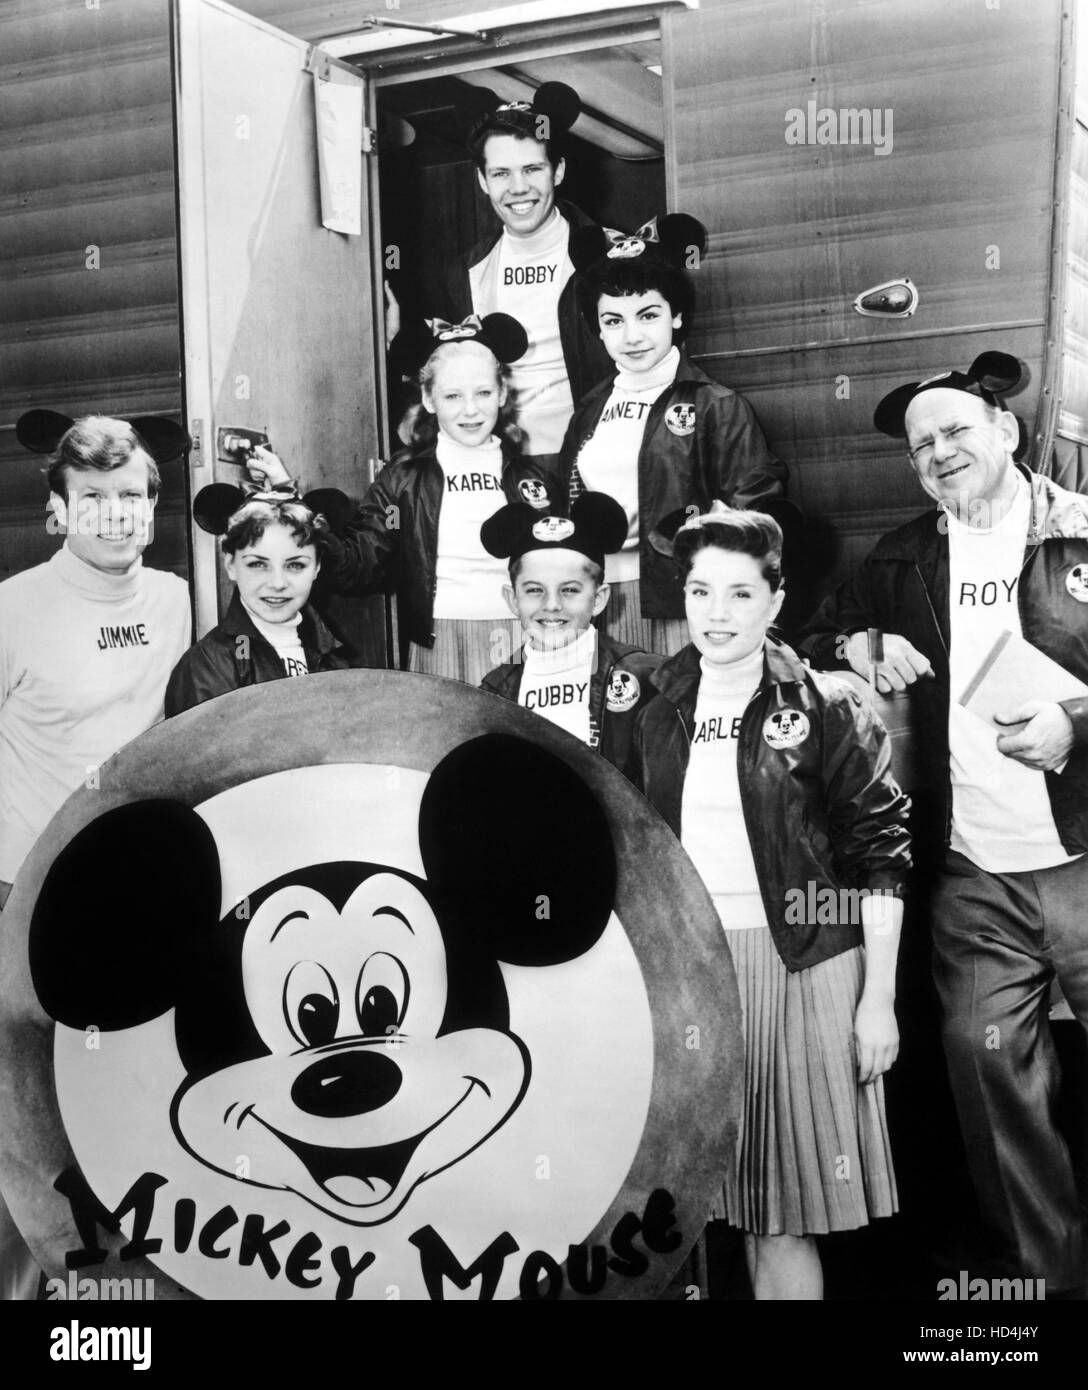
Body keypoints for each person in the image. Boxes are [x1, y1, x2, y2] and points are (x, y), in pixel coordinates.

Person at [797, 351, 1088, 1294]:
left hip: (1083, 854)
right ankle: (1044, 1280)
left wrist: (1073, 726)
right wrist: (854, 646)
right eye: (923, 446)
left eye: (958, 429)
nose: (940, 452)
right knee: (985, 1067)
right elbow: (817, 633)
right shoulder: (902, 555)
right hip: (972, 875)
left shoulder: (1082, 535)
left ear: (1007, 430)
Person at [632, 505, 910, 1300]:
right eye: (699, 592)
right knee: (709, 1210)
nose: (716, 614)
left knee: (781, 1214)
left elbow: (881, 858)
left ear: (775, 601)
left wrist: (879, 1001)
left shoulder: (829, 705)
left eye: (740, 595)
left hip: (802, 968)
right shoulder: (654, 703)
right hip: (693, 974)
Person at [0, 409, 191, 1299]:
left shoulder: (178, 599)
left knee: (136, 1104)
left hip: (135, 888)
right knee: (27, 1114)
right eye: (92, 498)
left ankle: (137, 1290)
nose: (113, 516)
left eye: (130, 497)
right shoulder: (14, 608)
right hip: (24, 894)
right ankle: (45, 1292)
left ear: (152, 506)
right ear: (57, 510)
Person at [560, 215, 788, 655]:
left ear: (677, 316)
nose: (632, 336)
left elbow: (756, 520)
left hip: (685, 603)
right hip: (602, 599)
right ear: (598, 328)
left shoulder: (717, 405)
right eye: (613, 320)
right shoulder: (590, 409)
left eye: (648, 315)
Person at [292, 314, 562, 686]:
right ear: (428, 399)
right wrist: (322, 536)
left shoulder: (532, 478)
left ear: (502, 393)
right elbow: (369, 557)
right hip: (442, 638)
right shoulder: (404, 480)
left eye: (483, 393)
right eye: (452, 396)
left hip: (526, 633)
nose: (470, 410)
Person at [444, 83, 612, 465]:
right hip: (502, 461)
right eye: (501, 173)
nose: (518, 189)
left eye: (532, 169)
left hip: (594, 455)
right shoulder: (465, 271)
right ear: (483, 181)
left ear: (558, 171)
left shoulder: (609, 256)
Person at [479, 491, 661, 774]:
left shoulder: (642, 674)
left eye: (570, 590)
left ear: (599, 598)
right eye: (535, 590)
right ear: (512, 599)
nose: (552, 605)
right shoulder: (495, 689)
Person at [165, 488, 350, 715]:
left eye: (295, 565)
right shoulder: (206, 668)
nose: (277, 583)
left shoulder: (333, 655)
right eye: (258, 564)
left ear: (317, 567)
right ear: (231, 565)